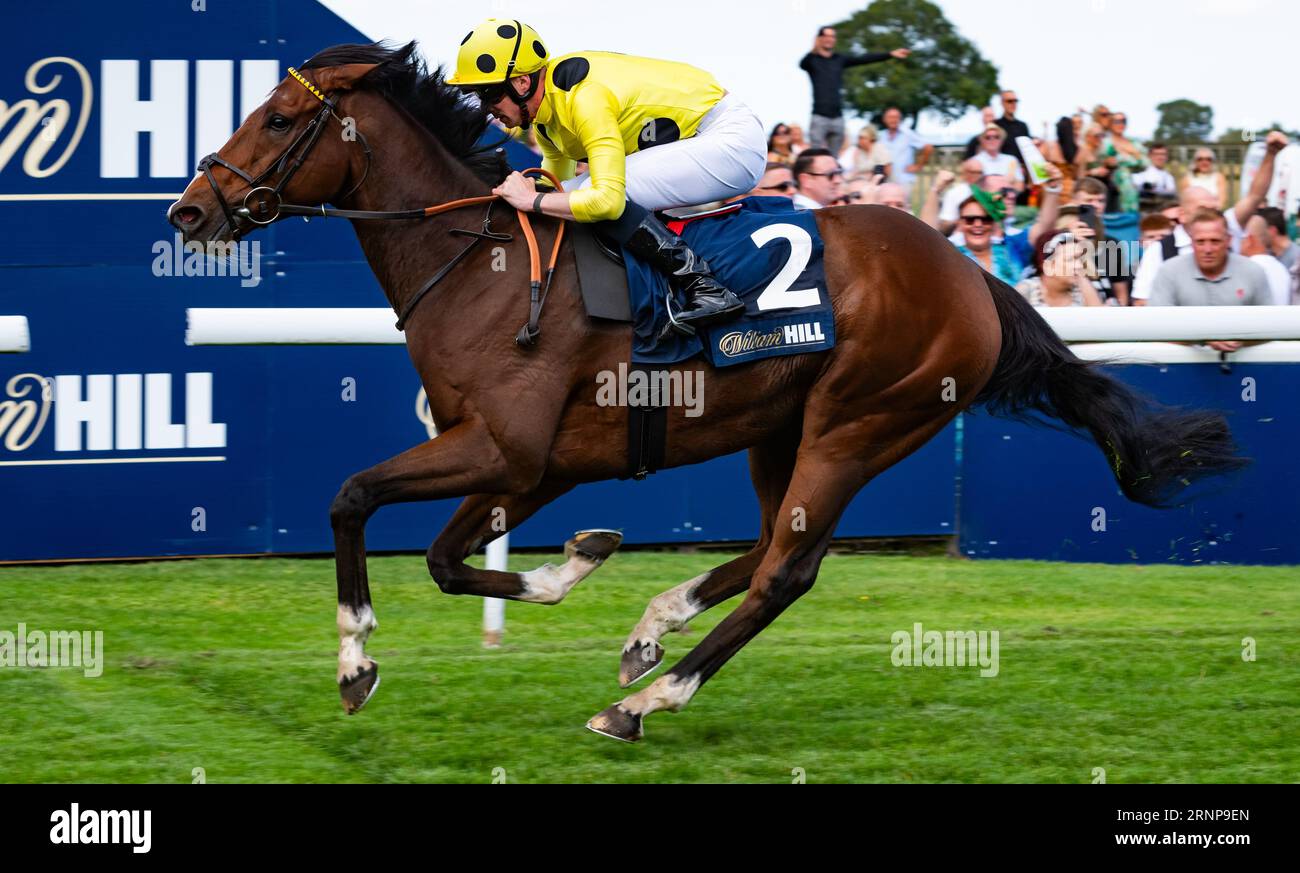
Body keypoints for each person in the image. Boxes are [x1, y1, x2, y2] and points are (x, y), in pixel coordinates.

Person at [451, 17, 766, 332]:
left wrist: (531, 198)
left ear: (521, 82)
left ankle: (705, 286)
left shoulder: (585, 99)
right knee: (564, 195)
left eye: (489, 94)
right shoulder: (546, 120)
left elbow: (607, 202)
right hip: (704, 139)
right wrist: (523, 193)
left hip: (731, 139)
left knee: (596, 191)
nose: (485, 107)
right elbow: (555, 188)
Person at [1132, 132, 1289, 304]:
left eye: (1215, 209)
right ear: (1182, 215)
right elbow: (1142, 301)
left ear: (1226, 239)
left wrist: (1270, 154)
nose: (1208, 248)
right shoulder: (1159, 250)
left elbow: (1255, 196)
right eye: (1202, 209)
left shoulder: (1226, 226)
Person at [940, 164, 1064, 285]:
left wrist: (1052, 189)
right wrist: (935, 191)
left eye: (986, 219)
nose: (1010, 195)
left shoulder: (1012, 245)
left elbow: (1044, 227)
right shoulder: (951, 252)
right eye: (970, 219)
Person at [799, 26, 910, 156]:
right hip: (819, 116)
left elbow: (863, 59)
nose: (830, 39)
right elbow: (802, 64)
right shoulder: (812, 60)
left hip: (837, 117)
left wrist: (889, 54)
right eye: (826, 36)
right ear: (820, 38)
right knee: (815, 154)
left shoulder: (839, 59)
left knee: (834, 157)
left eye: (832, 36)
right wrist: (815, 48)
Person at [1149, 211, 1272, 325]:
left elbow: (1268, 324)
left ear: (1229, 240)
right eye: (1200, 242)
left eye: (1215, 241)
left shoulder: (1252, 272)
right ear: (1191, 242)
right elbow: (1158, 324)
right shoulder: (1169, 272)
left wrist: (1238, 339)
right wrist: (1204, 338)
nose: (1208, 250)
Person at [1071, 177, 1132, 305]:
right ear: (1074, 203)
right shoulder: (1060, 238)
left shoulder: (1112, 244)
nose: (1096, 205)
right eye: (1089, 200)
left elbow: (1120, 290)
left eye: (1101, 200)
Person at [1015, 232, 1104, 307]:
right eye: (1070, 260)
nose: (1079, 265)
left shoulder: (1082, 288)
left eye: (1080, 259)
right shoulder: (1026, 291)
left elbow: (1100, 322)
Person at [878, 106, 932, 196]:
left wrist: (918, 166)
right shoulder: (880, 135)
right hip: (885, 179)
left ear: (900, 119)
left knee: (902, 207)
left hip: (904, 179)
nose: (893, 120)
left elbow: (928, 147)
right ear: (884, 119)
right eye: (890, 117)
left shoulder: (908, 134)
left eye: (896, 117)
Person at [1240, 214, 1293, 305]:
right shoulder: (1281, 269)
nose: (1240, 243)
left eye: (1242, 238)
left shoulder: (1247, 270)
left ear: (1250, 239)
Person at [1102, 111, 1147, 213]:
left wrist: (1132, 152)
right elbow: (1105, 162)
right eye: (1117, 121)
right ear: (1110, 123)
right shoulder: (1106, 142)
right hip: (1114, 184)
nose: (1121, 124)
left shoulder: (1133, 142)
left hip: (1136, 182)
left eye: (1124, 121)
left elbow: (1145, 163)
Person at [972, 124, 1023, 191]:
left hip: (1008, 199)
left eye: (996, 137)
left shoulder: (1011, 160)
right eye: (988, 137)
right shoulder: (974, 161)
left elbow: (1020, 187)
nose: (992, 139)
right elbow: (973, 188)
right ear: (982, 140)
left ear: (1002, 140)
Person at [1255, 206, 1298, 272]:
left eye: (1260, 230)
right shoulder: (1265, 255)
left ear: (1272, 231)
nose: (1258, 235)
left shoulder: (1296, 258)